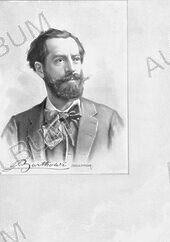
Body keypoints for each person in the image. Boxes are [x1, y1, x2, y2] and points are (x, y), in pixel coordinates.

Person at [2, 28, 123, 166]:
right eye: (60, 60)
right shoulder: (16, 127)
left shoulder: (111, 121)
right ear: (40, 69)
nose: (71, 68)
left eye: (76, 59)